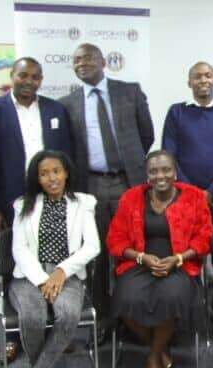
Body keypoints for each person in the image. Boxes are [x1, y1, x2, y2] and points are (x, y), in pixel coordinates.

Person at [0, 56, 73, 363]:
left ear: (41, 79)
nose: (28, 81)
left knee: (53, 261)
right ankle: (14, 336)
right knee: (14, 266)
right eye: (23, 76)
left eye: (34, 77)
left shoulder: (55, 109)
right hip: (11, 203)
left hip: (52, 201)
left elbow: (68, 158)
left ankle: (57, 329)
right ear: (12, 76)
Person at [59, 42, 155, 337]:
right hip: (91, 185)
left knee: (136, 248)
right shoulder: (67, 103)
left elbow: (146, 135)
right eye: (75, 60)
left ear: (103, 61)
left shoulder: (130, 92)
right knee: (97, 255)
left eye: (87, 57)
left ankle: (136, 317)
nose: (81, 63)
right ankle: (102, 320)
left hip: (129, 182)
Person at [0, 151, 100, 368]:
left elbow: (92, 246)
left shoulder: (84, 203)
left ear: (66, 172)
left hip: (68, 274)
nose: (52, 178)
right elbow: (19, 249)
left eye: (56, 171)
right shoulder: (23, 205)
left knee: (67, 315)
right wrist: (44, 280)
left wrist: (61, 272)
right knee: (32, 316)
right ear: (37, 178)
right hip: (29, 276)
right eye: (44, 174)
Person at [107, 151, 213, 368]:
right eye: (154, 171)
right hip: (139, 262)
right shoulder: (131, 198)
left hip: (180, 264)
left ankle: (153, 357)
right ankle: (161, 348)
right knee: (125, 299)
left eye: (166, 170)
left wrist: (177, 259)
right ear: (147, 175)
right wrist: (141, 257)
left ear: (175, 172)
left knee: (171, 297)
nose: (160, 175)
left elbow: (205, 237)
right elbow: (115, 239)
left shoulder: (194, 196)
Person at [162, 61, 213, 219]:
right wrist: (193, 193)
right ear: (189, 83)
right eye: (197, 76)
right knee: (186, 241)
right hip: (183, 194)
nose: (203, 80)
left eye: (208, 75)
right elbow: (169, 156)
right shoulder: (176, 112)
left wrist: (211, 192)